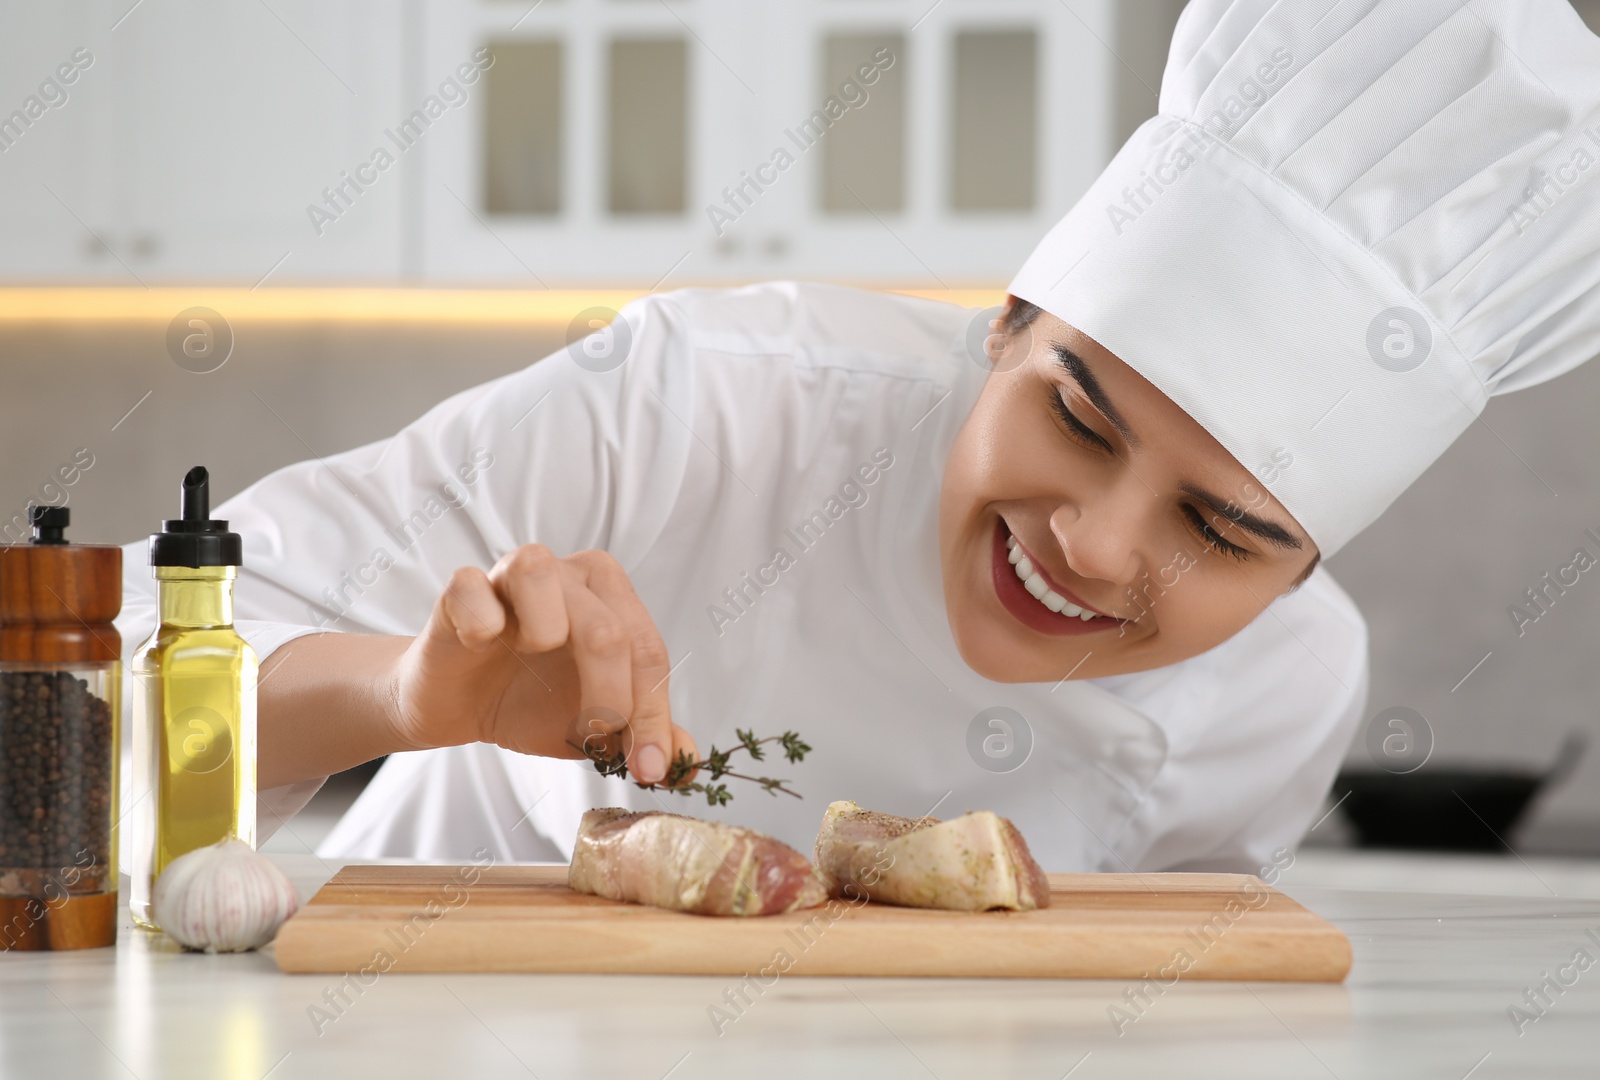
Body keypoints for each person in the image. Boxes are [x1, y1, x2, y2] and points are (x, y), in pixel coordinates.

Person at [116, 0, 1600, 873]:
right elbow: (79, 703)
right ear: (1004, 327)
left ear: (1301, 576)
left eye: (1222, 532)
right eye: (1076, 417)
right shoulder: (701, 400)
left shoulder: (1293, 693)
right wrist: (398, 693)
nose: (1094, 543)